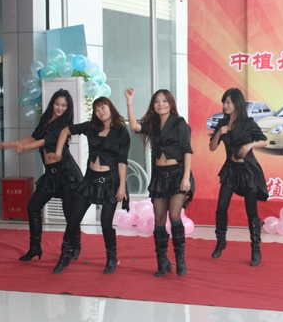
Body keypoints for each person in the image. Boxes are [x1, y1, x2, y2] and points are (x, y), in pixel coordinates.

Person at [0, 89, 83, 262]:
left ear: (68, 108)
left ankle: (75, 244)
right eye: (57, 104)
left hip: (66, 172)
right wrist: (11, 144)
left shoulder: (64, 124)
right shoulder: (46, 119)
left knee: (69, 214)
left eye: (64, 105)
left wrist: (23, 148)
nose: (60, 108)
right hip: (51, 174)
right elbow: (34, 137)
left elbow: (44, 141)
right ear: (52, 103)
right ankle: (35, 247)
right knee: (33, 208)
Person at [52, 97, 130, 274]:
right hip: (90, 180)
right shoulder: (91, 127)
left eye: (103, 107)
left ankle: (111, 257)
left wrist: (121, 186)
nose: (100, 112)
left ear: (110, 108)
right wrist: (58, 152)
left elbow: (122, 161)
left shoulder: (121, 132)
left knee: (105, 223)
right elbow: (66, 130)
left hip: (110, 182)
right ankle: (64, 255)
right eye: (96, 109)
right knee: (74, 218)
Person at [124, 88, 194, 277]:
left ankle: (180, 259)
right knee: (160, 218)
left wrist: (186, 178)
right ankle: (162, 261)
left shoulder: (179, 123)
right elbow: (135, 126)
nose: (160, 104)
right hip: (159, 176)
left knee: (174, 214)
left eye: (164, 101)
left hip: (177, 174)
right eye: (156, 101)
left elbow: (187, 151)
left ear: (171, 104)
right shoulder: (153, 124)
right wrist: (130, 102)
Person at [209, 88, 268, 266]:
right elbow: (212, 147)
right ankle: (220, 241)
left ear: (237, 103)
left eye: (229, 102)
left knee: (251, 212)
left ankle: (256, 249)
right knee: (221, 207)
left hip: (247, 171)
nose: (225, 106)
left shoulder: (248, 123)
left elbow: (264, 140)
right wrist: (219, 133)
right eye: (224, 102)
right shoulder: (222, 123)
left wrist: (249, 145)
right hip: (230, 170)